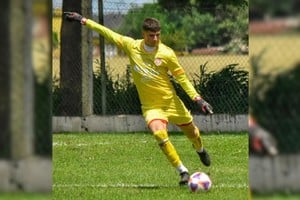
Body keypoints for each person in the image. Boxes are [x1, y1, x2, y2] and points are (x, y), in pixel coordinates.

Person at [64, 12, 213, 186]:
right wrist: (83, 20)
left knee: (193, 133)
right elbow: (107, 32)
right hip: (151, 107)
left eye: (158, 35)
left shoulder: (167, 53)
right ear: (143, 34)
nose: (155, 38)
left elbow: (182, 79)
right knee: (158, 133)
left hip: (172, 103)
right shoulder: (131, 46)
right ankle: (183, 171)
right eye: (152, 35)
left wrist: (198, 99)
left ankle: (200, 150)